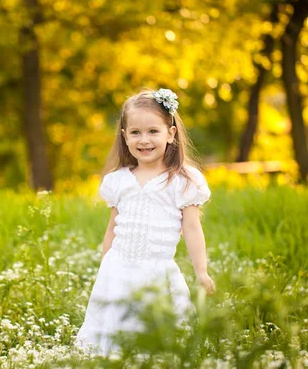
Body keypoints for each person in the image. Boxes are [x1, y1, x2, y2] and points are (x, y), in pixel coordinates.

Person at [74, 88, 216, 357]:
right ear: (124, 136)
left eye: (153, 131)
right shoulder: (118, 180)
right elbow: (111, 230)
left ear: (170, 134)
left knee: (157, 336)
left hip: (156, 272)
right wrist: (105, 268)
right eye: (136, 132)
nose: (144, 139)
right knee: (114, 331)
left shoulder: (182, 180)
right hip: (118, 269)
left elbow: (192, 228)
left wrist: (201, 271)